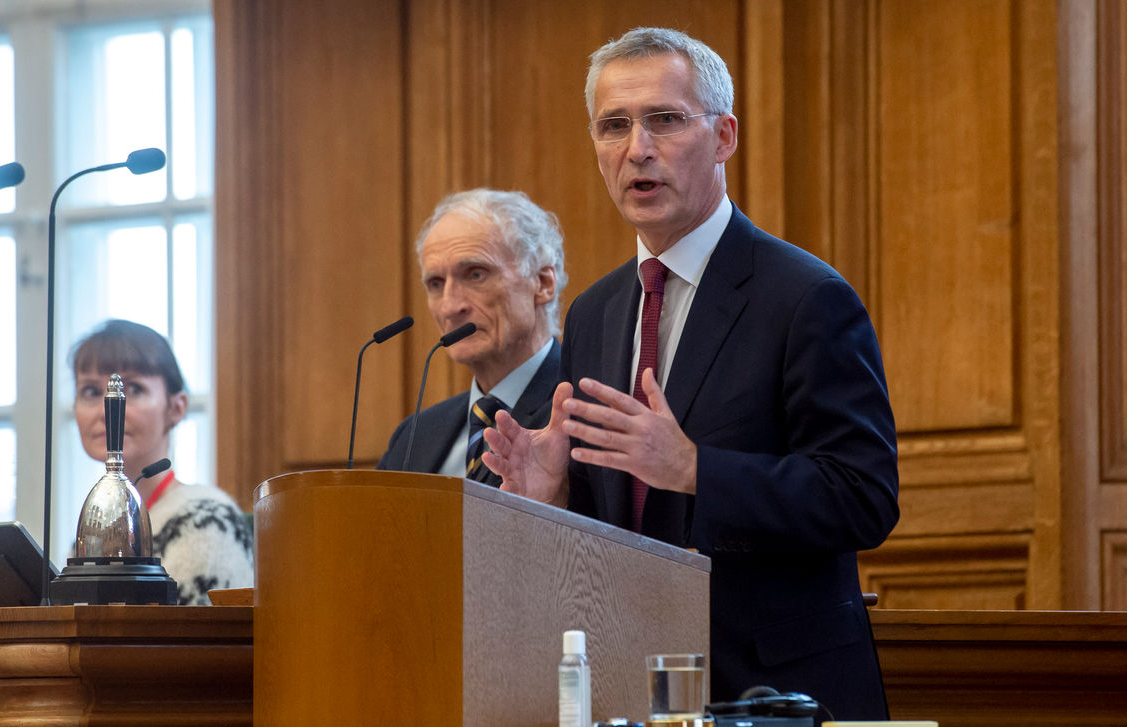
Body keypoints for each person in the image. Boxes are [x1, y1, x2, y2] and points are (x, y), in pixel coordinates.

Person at [483, 28, 899, 720]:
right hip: (632, 686)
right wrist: (552, 499)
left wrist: (697, 468)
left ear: (724, 136)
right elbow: (615, 532)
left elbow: (865, 495)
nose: (637, 148)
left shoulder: (805, 297)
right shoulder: (594, 313)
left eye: (665, 119)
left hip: (773, 696)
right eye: (614, 125)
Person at [377, 188, 566, 486]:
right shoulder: (414, 435)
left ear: (542, 284)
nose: (450, 307)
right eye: (436, 284)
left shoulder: (583, 412)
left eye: (476, 274)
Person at [71, 319, 253, 605]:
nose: (109, 407)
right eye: (91, 392)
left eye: (134, 389)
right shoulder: (98, 528)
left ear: (177, 407)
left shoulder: (207, 521)